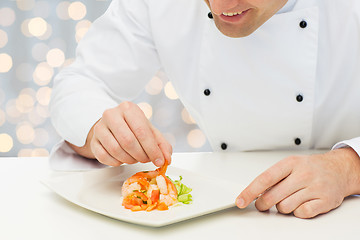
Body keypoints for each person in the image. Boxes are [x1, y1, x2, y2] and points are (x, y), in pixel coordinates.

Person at [50, 0, 360, 219]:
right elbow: (80, 81)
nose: (222, 4)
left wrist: (349, 169)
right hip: (224, 213)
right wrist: (97, 130)